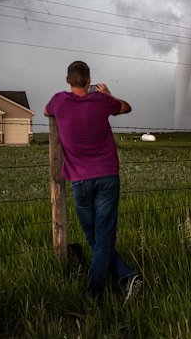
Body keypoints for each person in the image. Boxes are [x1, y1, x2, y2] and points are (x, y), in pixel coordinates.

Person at [44, 60, 142, 303]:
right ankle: (121, 280)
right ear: (89, 81)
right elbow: (127, 107)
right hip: (107, 176)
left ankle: (98, 291)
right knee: (102, 236)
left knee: (94, 236)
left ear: (68, 80)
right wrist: (108, 94)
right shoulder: (101, 101)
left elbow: (47, 112)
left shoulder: (58, 100)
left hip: (80, 180)